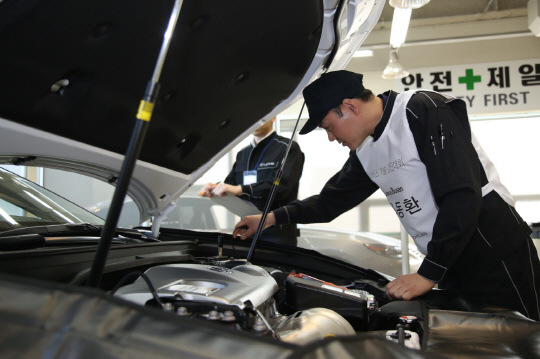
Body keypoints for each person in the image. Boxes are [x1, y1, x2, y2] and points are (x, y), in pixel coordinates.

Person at [233, 70, 540, 320]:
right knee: (473, 344)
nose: (331, 138)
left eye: (329, 127)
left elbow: (461, 194)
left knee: (524, 337)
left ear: (351, 106)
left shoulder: (421, 110)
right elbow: (330, 201)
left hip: (495, 254)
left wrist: (428, 274)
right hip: (450, 260)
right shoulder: (366, 148)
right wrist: (270, 218)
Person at [201, 117, 304, 246]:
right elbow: (230, 186)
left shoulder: (288, 148)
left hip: (277, 234)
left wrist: (241, 189)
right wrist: (214, 188)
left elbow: (282, 187)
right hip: (247, 231)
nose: (254, 121)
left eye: (261, 116)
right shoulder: (242, 154)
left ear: (273, 117)